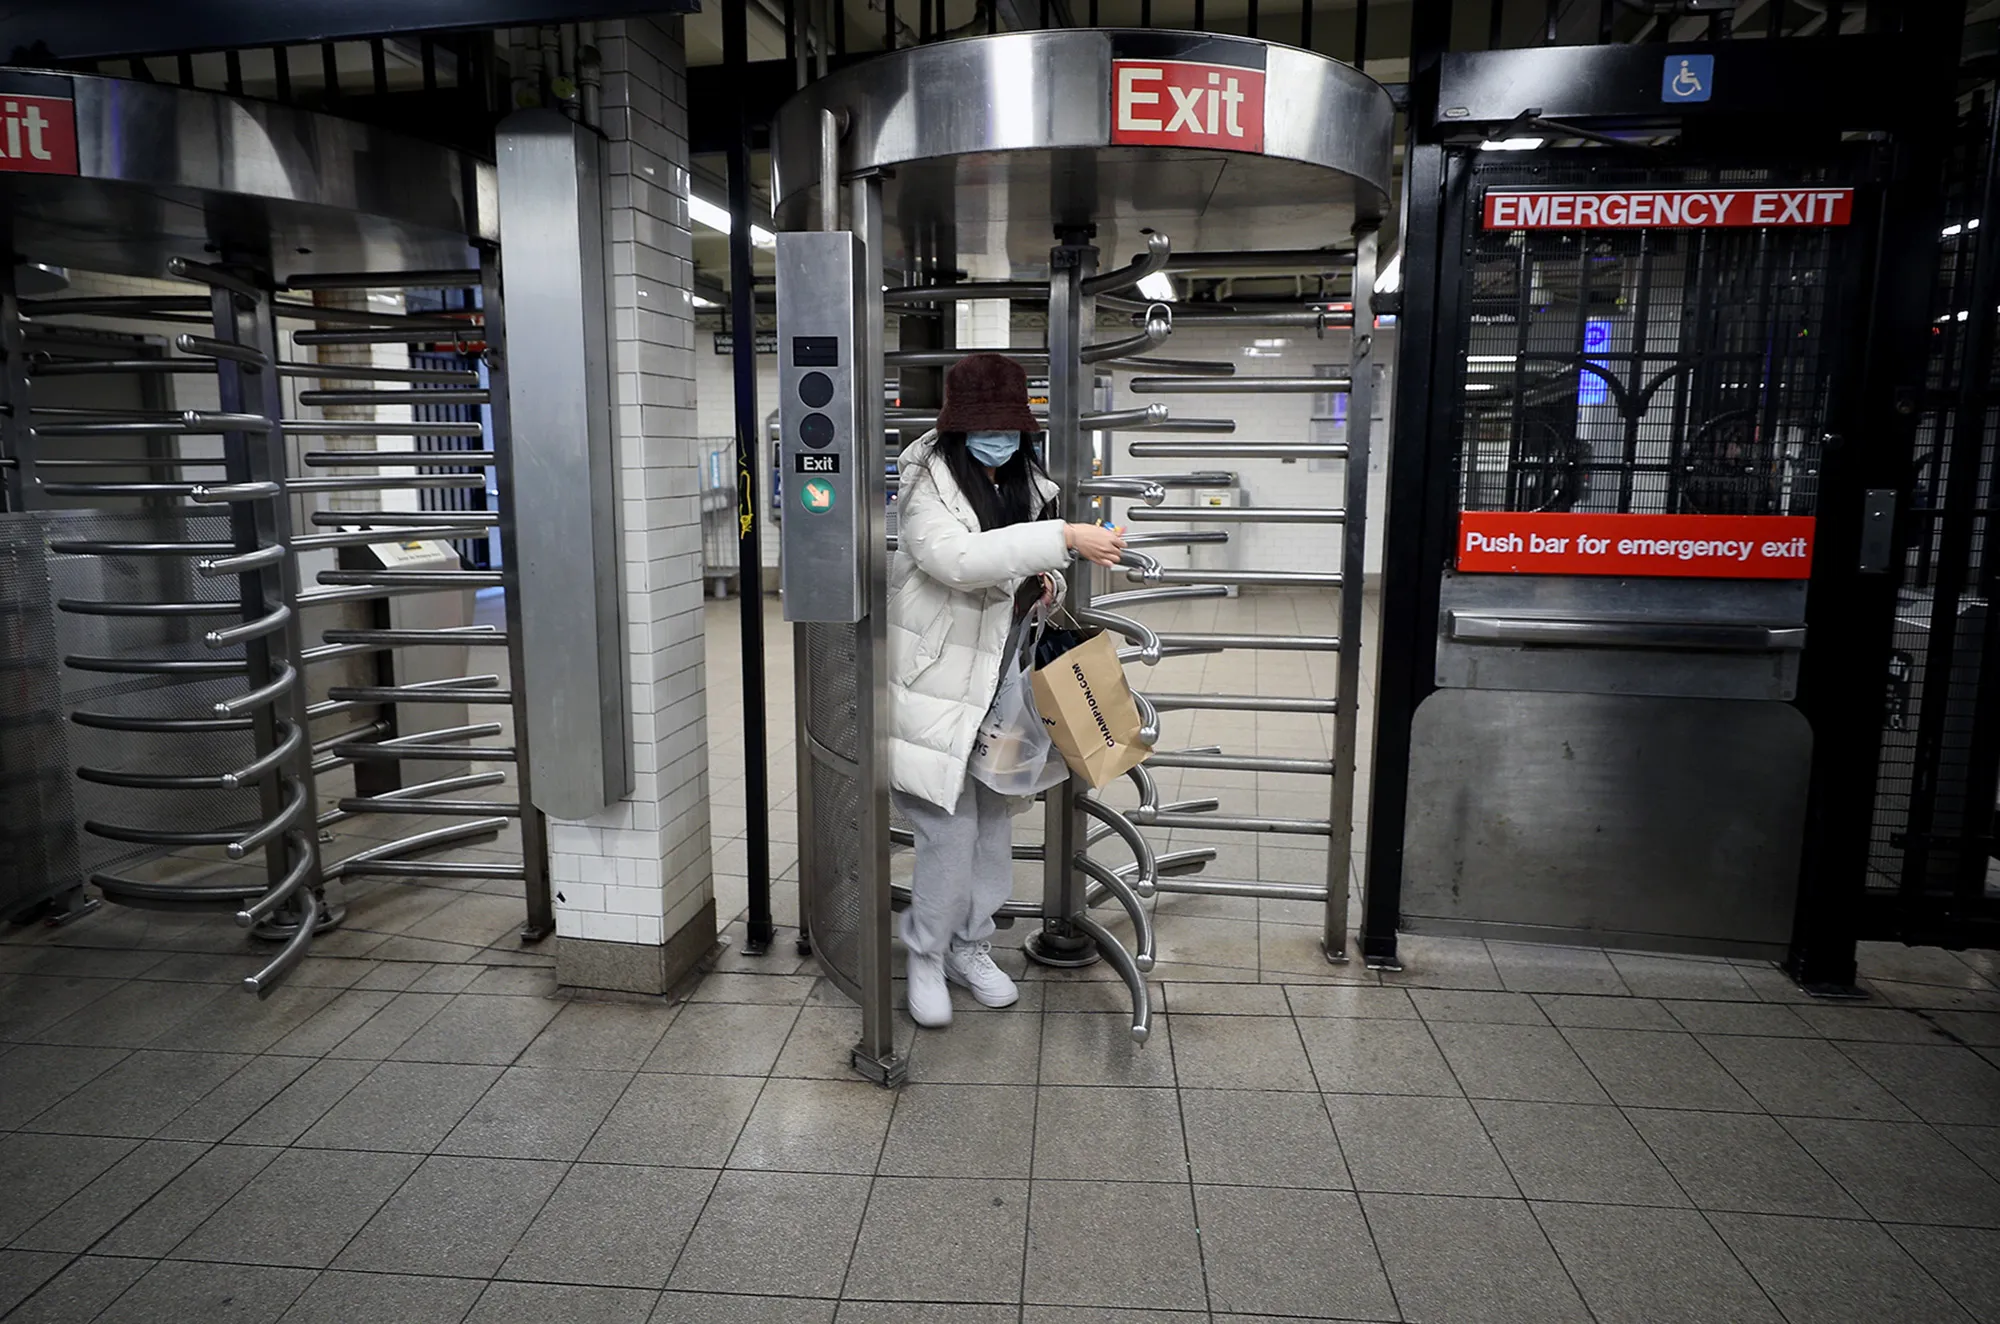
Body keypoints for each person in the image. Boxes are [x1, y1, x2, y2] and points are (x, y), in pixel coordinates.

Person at [889, 352, 1125, 1027]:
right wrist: (1065, 537)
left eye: (1010, 429)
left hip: (1003, 689)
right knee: (948, 831)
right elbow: (956, 561)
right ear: (958, 428)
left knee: (993, 827)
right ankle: (926, 956)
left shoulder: (1027, 483)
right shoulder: (925, 481)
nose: (999, 440)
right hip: (936, 689)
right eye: (985, 429)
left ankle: (971, 948)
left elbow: (1008, 573)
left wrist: (1042, 586)